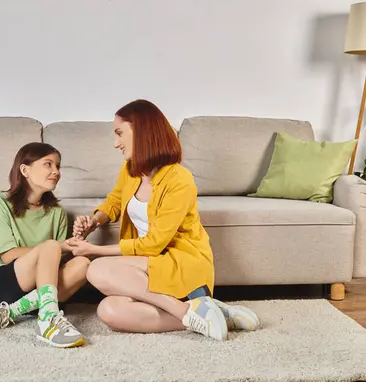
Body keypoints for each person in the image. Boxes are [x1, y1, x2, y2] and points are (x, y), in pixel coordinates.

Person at [69, 99, 260, 341]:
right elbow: (115, 201)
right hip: (148, 266)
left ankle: (185, 309)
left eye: (119, 133)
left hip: (180, 263)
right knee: (109, 310)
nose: (115, 143)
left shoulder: (179, 179)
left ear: (142, 131)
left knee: (97, 268)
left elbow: (154, 243)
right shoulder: (130, 170)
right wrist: (94, 221)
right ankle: (210, 315)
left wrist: (93, 249)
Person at [0, 142, 90, 348]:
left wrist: (75, 243)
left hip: (42, 293)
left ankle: (10, 313)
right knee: (51, 246)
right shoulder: (0, 203)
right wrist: (58, 247)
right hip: (1, 286)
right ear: (25, 170)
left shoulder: (57, 212)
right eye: (48, 164)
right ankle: (48, 321)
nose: (56, 171)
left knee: (83, 263)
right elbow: (8, 256)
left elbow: (55, 265)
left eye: (58, 166)